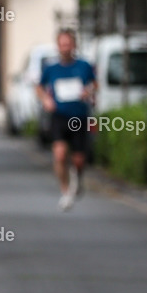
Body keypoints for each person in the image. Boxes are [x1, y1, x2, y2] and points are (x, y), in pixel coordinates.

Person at [38, 29, 96, 211]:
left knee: (79, 160)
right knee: (60, 155)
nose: (65, 47)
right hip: (59, 116)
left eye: (68, 44)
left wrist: (89, 92)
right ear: (57, 46)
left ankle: (77, 178)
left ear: (74, 45)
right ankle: (66, 191)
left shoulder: (84, 66)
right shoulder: (51, 68)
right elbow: (39, 87)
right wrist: (46, 100)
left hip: (79, 116)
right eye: (62, 44)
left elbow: (95, 83)